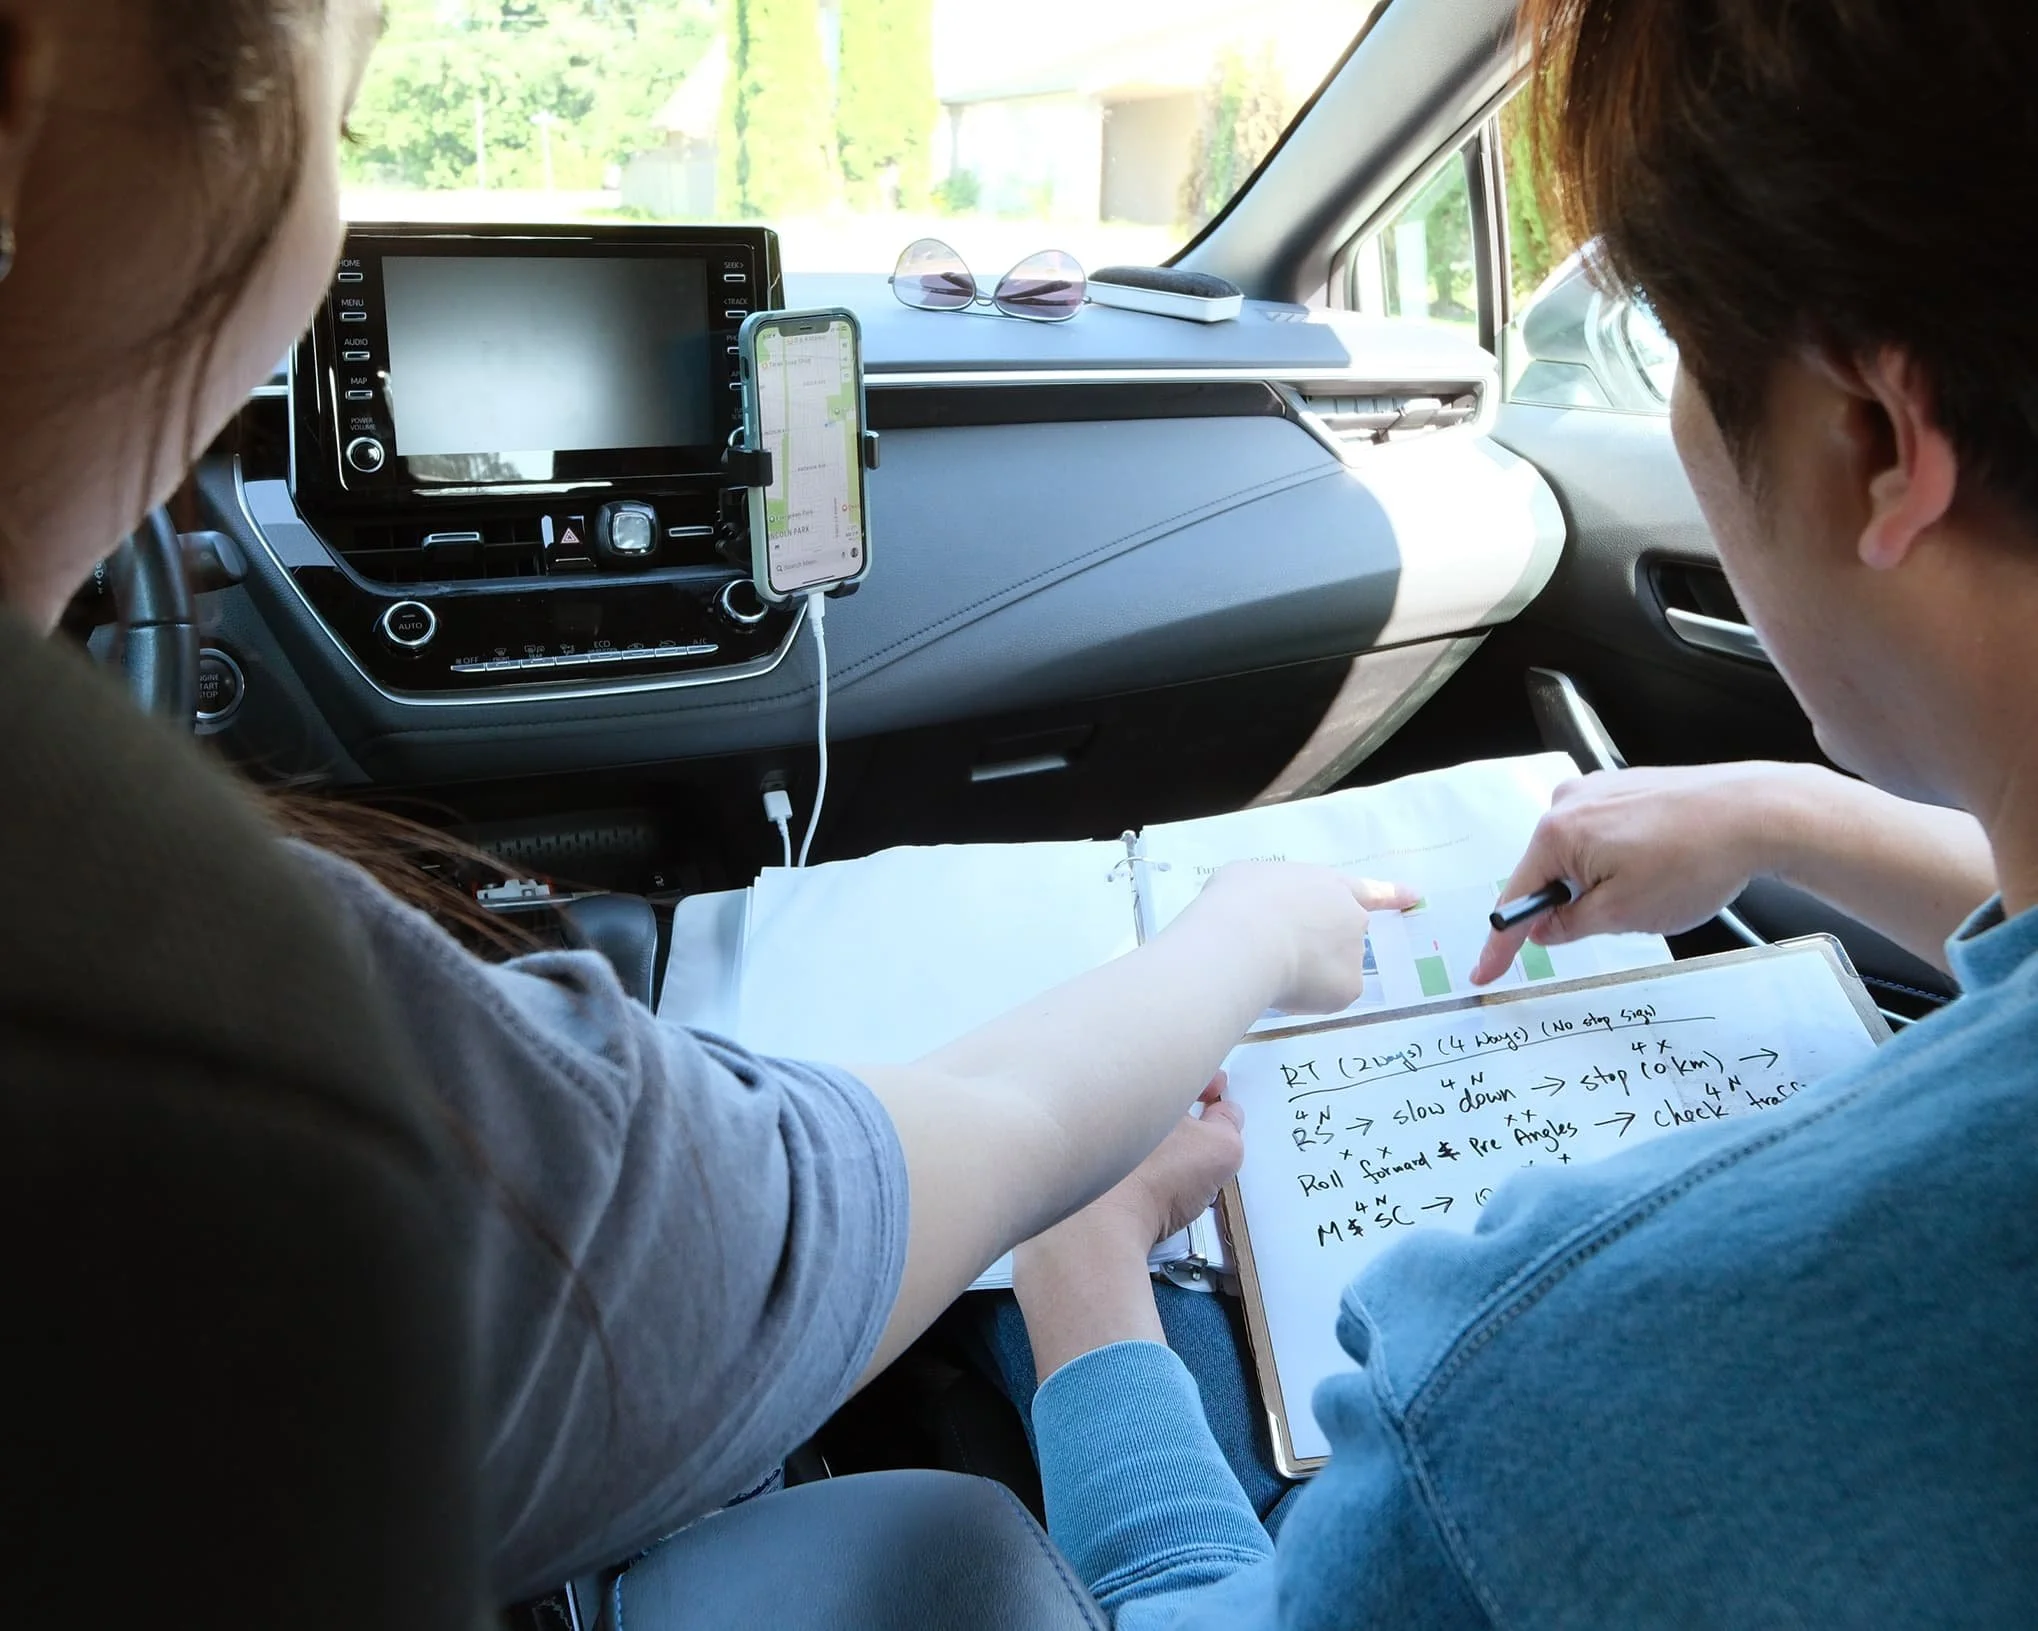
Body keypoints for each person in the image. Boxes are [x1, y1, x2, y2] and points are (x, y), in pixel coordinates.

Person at [0, 0, 1401, 1604]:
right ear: (26, 83)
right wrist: (1250, 934)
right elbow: (887, 1188)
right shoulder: (238, 1059)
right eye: (348, 76)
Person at [1001, 0, 2038, 1623]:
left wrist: (1077, 1274)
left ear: (1870, 438)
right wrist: (1782, 811)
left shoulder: (1552, 1370)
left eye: (1674, 344)